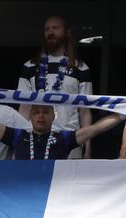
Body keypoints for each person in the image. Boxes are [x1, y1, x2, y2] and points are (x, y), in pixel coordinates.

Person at [17, 16, 93, 158]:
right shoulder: (30, 66)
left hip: (69, 138)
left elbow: (84, 110)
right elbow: (24, 107)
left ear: (66, 33)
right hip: (35, 139)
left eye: (55, 28)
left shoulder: (81, 68)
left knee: (67, 180)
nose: (50, 32)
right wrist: (19, 138)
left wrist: (87, 146)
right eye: (47, 29)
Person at [0, 103, 121, 160]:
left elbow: (95, 129)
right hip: (23, 192)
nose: (41, 116)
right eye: (36, 112)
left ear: (53, 116)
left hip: (54, 195)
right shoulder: (18, 136)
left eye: (45, 112)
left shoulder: (63, 138)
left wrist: (124, 114)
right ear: (30, 116)